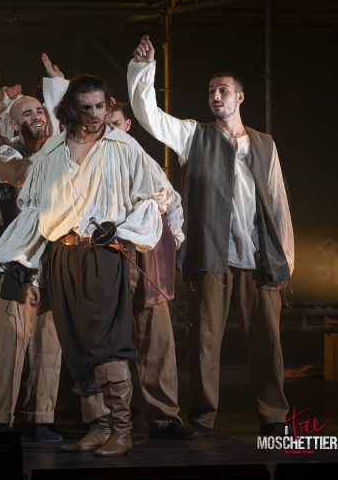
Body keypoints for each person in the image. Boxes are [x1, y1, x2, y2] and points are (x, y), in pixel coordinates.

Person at [0, 74, 176, 456]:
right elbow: (32, 205)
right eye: (86, 107)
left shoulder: (122, 146)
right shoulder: (52, 151)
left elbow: (158, 194)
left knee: (107, 342)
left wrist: (123, 230)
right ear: (71, 109)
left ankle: (121, 429)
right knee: (74, 342)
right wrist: (21, 256)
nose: (94, 114)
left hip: (101, 254)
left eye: (100, 106)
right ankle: (98, 426)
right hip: (61, 254)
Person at [128, 35, 294, 438]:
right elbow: (149, 115)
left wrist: (286, 259)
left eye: (223, 90)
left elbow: (278, 205)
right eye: (210, 91)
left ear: (240, 97)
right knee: (203, 341)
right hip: (211, 257)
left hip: (258, 259)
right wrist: (144, 69)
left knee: (267, 343)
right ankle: (202, 417)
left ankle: (273, 417)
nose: (216, 96)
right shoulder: (194, 135)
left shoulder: (264, 144)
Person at [108, 100, 195, 441]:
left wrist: (173, 238)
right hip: (114, 252)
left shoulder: (144, 158)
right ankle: (109, 414)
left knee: (157, 335)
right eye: (105, 124)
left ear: (127, 124)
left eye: (116, 123)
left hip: (150, 255)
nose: (111, 130)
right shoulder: (97, 159)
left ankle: (163, 415)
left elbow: (173, 201)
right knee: (110, 334)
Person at [0, 89, 63, 442]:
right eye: (27, 114)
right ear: (13, 124)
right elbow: (19, 176)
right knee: (6, 346)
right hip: (16, 267)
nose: (37, 117)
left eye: (40, 111)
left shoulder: (57, 153)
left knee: (48, 347)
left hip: (51, 265)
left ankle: (39, 417)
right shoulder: (8, 154)